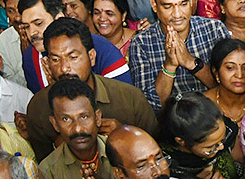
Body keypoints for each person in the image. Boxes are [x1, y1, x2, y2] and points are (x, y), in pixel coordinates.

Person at [24, 19, 158, 161]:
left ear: (92, 57)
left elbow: (158, 148)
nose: (64, 68)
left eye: (73, 57)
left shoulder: (129, 99)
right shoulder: (38, 108)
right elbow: (44, 166)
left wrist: (125, 136)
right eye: (56, 59)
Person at [128, 0, 228, 111]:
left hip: (214, 114)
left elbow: (227, 88)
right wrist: (169, 66)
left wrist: (191, 62)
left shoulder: (214, 29)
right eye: (168, 6)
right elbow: (150, 107)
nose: (177, 14)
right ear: (154, 5)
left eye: (183, 4)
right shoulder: (141, 44)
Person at [37, 79, 120, 179]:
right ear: (55, 124)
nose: (77, 129)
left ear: (98, 118)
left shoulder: (121, 150)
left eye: (84, 117)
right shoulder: (49, 172)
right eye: (66, 119)